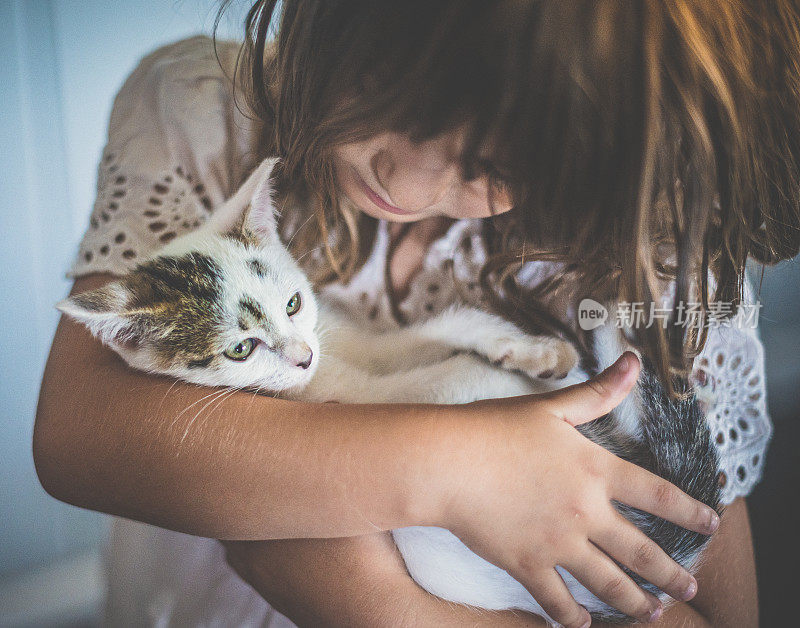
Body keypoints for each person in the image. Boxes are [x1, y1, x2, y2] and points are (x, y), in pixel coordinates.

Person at [34, 1, 799, 626]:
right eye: (382, 88)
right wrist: (456, 468)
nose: (402, 179)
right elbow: (78, 435)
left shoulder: (642, 239)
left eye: (494, 167)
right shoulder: (200, 113)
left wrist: (384, 609)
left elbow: (697, 601)